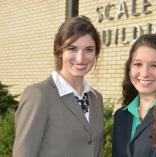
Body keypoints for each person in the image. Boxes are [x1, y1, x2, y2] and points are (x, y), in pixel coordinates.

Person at [13, 16, 104, 157]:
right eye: (72, 49)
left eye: (89, 49)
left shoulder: (96, 99)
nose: (80, 58)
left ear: (96, 53)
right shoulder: (39, 95)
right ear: (59, 51)